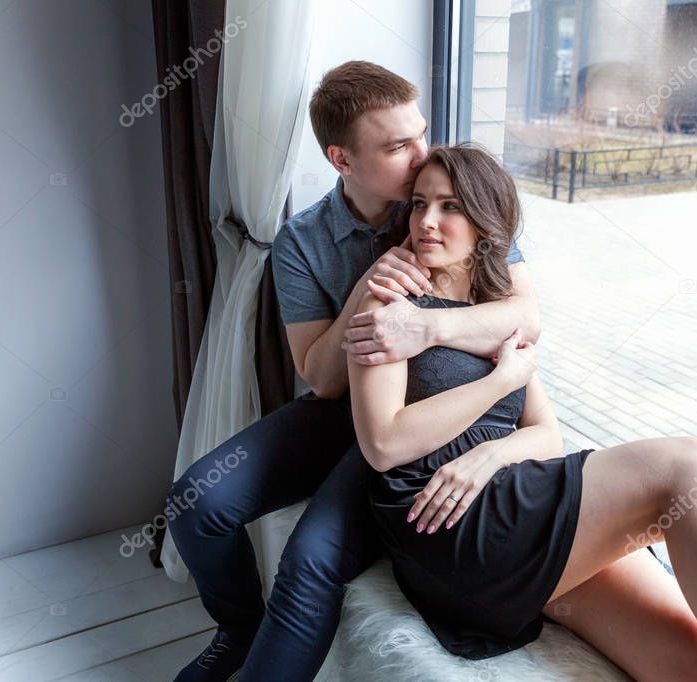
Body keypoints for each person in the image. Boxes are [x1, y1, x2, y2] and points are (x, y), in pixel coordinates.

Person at [347, 144, 697, 682]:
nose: (428, 221)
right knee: (688, 469)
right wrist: (502, 380)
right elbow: (383, 443)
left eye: (451, 207)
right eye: (420, 204)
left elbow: (547, 434)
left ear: (485, 222)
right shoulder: (388, 304)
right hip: (443, 523)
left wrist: (488, 455)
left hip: (509, 500)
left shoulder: (499, 309)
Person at [166, 61, 539, 682]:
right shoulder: (302, 241)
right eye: (398, 146)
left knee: (312, 557)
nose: (423, 155)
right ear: (342, 160)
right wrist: (366, 288)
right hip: (343, 410)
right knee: (194, 503)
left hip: (419, 413)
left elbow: (525, 314)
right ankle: (238, 628)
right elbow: (319, 377)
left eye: (420, 132)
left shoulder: (447, 201)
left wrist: (428, 328)